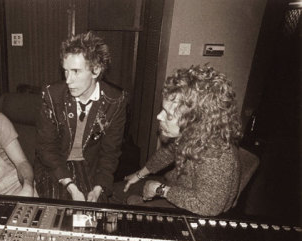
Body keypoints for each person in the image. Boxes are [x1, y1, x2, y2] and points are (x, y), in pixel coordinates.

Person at [112, 64, 243, 216]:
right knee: (114, 191)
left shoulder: (217, 158)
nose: (159, 116)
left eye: (168, 114)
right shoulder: (191, 135)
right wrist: (140, 174)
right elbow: (167, 153)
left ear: (195, 121)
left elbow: (207, 206)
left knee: (124, 211)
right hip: (176, 187)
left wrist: (159, 189)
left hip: (192, 211)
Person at [34, 31, 127, 202]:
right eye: (66, 71)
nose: (68, 80)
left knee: (97, 216)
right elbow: (46, 148)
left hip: (89, 166)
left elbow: (110, 152)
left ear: (96, 70)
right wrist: (71, 186)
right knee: (59, 213)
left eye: (76, 71)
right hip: (54, 166)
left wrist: (99, 186)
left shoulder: (115, 101)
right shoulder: (52, 95)